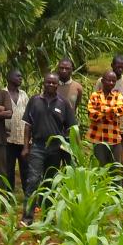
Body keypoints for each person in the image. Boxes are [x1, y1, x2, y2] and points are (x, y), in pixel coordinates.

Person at [20, 72, 78, 224]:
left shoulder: (63, 103)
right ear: (43, 83)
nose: (51, 85)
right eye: (48, 82)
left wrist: (69, 147)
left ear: (57, 85)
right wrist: (26, 146)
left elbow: (71, 127)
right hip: (37, 146)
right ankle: (27, 218)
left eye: (54, 83)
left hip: (55, 148)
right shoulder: (34, 101)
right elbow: (28, 125)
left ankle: (48, 217)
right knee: (33, 180)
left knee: (50, 182)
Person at [87, 70, 123, 168]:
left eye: (113, 81)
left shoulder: (118, 96)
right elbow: (92, 114)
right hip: (97, 138)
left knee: (115, 168)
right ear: (102, 81)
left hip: (113, 137)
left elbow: (120, 110)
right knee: (101, 166)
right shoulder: (95, 96)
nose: (111, 83)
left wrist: (101, 110)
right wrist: (111, 112)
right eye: (108, 80)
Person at [4, 69, 30, 193]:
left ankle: (28, 195)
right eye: (18, 76)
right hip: (7, 139)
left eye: (21, 76)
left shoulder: (24, 94)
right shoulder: (2, 94)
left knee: (25, 169)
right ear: (9, 77)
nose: (21, 78)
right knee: (8, 169)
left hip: (23, 138)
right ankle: (8, 195)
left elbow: (30, 115)